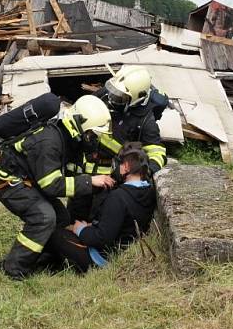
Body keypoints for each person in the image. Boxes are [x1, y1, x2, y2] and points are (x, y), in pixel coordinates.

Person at [0, 95, 116, 280]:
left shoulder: (70, 140)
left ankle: (45, 260)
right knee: (44, 217)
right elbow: (51, 185)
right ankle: (14, 268)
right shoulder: (49, 142)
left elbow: (71, 174)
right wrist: (90, 181)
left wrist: (95, 183)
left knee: (61, 218)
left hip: (30, 180)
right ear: (79, 125)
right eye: (91, 134)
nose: (92, 139)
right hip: (9, 182)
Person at [69, 65, 167, 221]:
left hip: (111, 178)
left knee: (98, 216)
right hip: (84, 169)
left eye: (120, 96)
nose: (112, 98)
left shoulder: (146, 121)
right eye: (114, 92)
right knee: (74, 213)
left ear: (136, 97)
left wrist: (144, 172)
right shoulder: (106, 96)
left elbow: (157, 152)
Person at [47, 142, 157, 272]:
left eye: (119, 164)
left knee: (54, 234)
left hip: (100, 260)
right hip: (122, 254)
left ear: (126, 166)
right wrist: (90, 226)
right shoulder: (149, 191)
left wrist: (80, 229)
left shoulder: (118, 197)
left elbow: (101, 239)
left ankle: (49, 267)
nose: (115, 168)